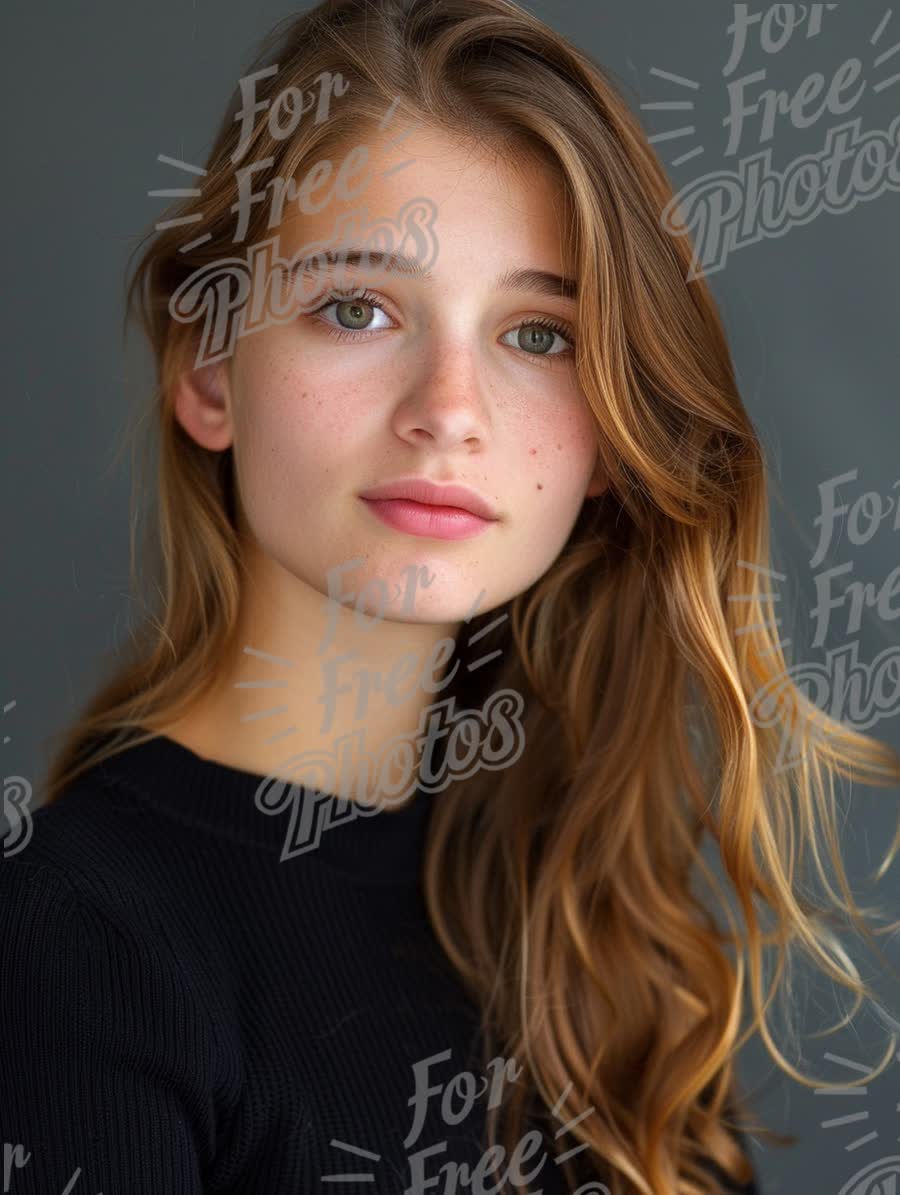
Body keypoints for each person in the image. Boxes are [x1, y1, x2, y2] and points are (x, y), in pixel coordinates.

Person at [2, 0, 898, 1191]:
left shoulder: (590, 937)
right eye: (358, 308)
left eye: (538, 335)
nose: (450, 407)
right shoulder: (73, 946)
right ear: (209, 368)